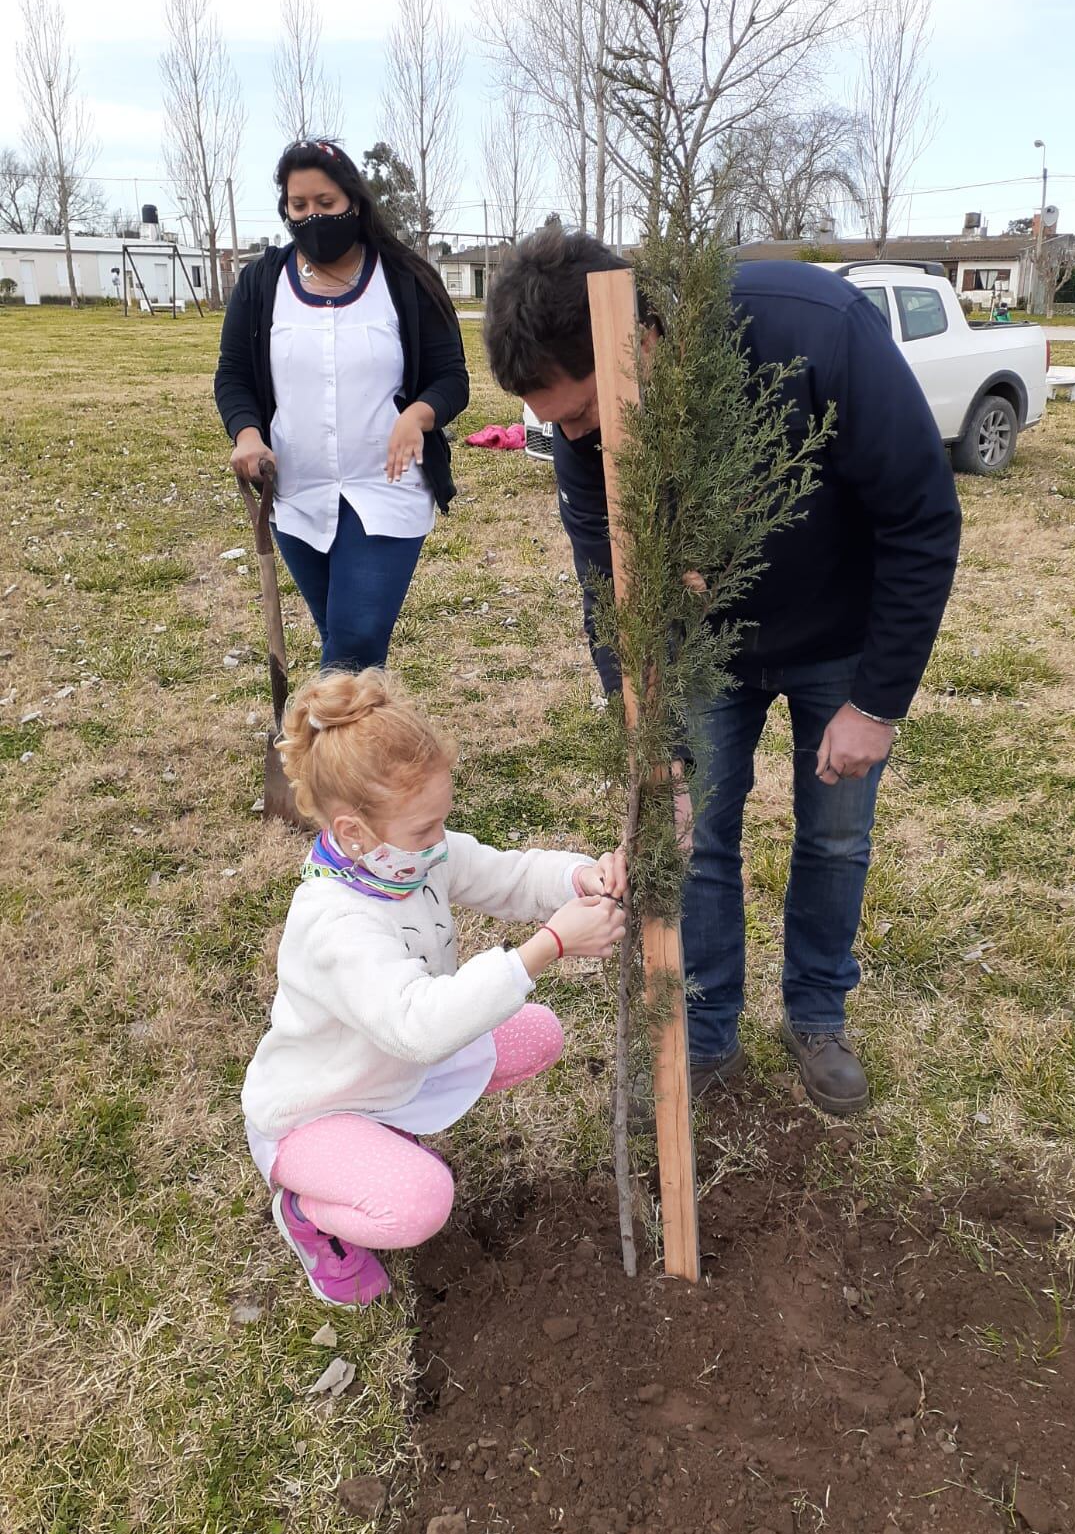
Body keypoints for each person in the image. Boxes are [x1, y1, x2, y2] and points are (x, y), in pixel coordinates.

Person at [484, 229, 961, 1116]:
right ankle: (705, 1032)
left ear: (639, 344)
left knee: (835, 837)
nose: (575, 438)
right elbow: (607, 582)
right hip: (710, 650)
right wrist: (649, 740)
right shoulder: (581, 434)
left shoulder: (817, 330)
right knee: (696, 837)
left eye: (583, 413)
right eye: (558, 425)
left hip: (842, 635)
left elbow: (922, 518)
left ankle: (817, 1018)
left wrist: (877, 700)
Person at [242, 667, 627, 1306]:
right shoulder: (336, 922)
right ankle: (308, 1211)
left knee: (538, 1033)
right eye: (424, 830)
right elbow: (419, 1026)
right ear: (353, 834)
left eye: (441, 823)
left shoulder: (416, 858)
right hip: (318, 1110)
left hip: (391, 1071)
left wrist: (577, 878)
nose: (438, 841)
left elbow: (509, 876)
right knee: (421, 1203)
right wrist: (549, 945)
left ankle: (388, 1135)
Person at [214, 140, 469, 671]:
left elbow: (451, 378)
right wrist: (247, 434)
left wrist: (418, 415)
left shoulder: (403, 279)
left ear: (353, 201)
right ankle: (372, 748)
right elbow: (233, 375)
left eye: (326, 203)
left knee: (351, 646)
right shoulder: (262, 284)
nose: (313, 216)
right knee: (348, 641)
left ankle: (315, 751)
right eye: (299, 206)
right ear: (285, 208)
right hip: (296, 495)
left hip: (386, 491)